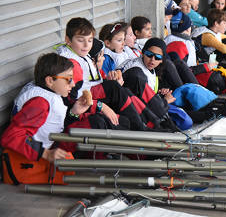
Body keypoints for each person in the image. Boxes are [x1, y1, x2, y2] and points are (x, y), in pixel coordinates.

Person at [55, 18, 171, 132]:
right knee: (116, 87)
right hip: (84, 103)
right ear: (68, 40)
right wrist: (100, 105)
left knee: (124, 101)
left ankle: (152, 123)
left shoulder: (81, 54)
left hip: (93, 95)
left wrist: (109, 78)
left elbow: (94, 78)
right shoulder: (71, 63)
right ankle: (148, 126)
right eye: (81, 40)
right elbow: (73, 96)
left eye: (90, 40)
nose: (86, 45)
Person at [0, 53, 89, 184]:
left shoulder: (48, 95)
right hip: (23, 165)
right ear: (50, 81)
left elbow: (49, 126)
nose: (73, 84)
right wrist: (46, 154)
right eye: (69, 79)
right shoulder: (40, 102)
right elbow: (12, 136)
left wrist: (74, 112)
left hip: (36, 154)